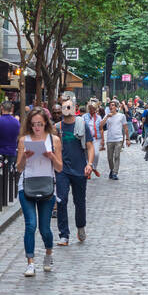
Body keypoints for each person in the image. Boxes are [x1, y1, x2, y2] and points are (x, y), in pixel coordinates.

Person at [17, 107, 62, 277]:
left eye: (40, 124)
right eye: (34, 124)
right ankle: (30, 262)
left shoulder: (54, 140)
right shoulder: (24, 140)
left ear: (45, 124)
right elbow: (19, 168)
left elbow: (59, 167)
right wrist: (24, 157)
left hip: (47, 186)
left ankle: (48, 254)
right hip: (27, 185)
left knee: (44, 228)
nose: (37, 128)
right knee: (30, 224)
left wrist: (51, 156)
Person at [54, 98, 97, 245]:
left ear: (74, 108)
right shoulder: (57, 127)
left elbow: (90, 146)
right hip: (62, 170)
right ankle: (64, 235)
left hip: (79, 169)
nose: (66, 109)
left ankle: (80, 226)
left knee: (79, 201)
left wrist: (89, 164)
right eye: (63, 107)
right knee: (61, 200)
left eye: (68, 107)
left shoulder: (81, 125)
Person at [102, 100, 128, 179]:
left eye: (113, 105)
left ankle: (115, 173)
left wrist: (128, 139)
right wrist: (106, 117)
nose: (111, 107)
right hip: (110, 139)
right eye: (110, 105)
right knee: (110, 158)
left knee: (117, 156)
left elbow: (125, 128)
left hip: (118, 139)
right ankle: (112, 169)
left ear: (116, 107)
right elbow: (101, 125)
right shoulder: (107, 116)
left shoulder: (121, 116)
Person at [0, 101, 21, 168]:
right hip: (11, 150)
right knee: (9, 171)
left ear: (1, 108)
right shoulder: (16, 122)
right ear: (12, 109)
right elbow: (18, 136)